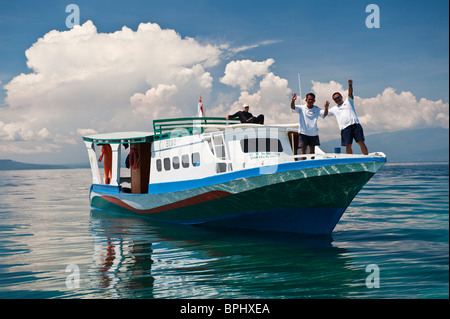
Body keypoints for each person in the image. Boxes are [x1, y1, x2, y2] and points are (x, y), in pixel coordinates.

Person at [327, 79, 368, 155]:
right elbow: (325, 113)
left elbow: (350, 93)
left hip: (355, 125)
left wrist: (350, 85)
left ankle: (367, 158)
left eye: (338, 97)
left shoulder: (348, 101)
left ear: (341, 96)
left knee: (361, 143)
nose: (337, 99)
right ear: (334, 100)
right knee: (348, 146)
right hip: (345, 129)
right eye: (335, 99)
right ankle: (350, 160)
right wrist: (324, 107)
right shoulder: (334, 109)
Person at [291, 92, 329, 157]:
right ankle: (303, 165)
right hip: (303, 133)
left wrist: (326, 108)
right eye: (309, 99)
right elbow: (293, 107)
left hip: (313, 133)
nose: (310, 101)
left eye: (312, 99)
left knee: (312, 150)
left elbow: (324, 114)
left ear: (314, 101)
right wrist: (293, 100)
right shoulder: (301, 108)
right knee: (303, 150)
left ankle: (312, 165)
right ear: (306, 100)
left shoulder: (317, 109)